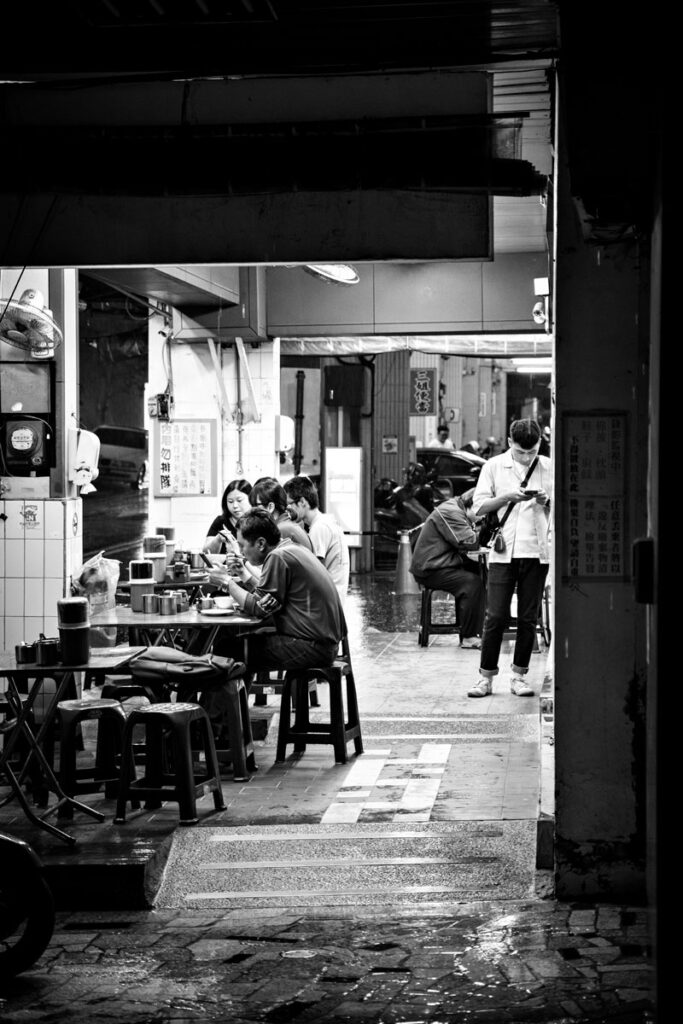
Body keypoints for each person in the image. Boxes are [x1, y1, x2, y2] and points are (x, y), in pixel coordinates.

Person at [468, 417, 552, 698]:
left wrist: (546, 501)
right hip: (503, 551)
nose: (527, 457)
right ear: (509, 443)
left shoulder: (548, 467)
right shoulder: (493, 466)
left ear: (540, 444)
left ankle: (519, 676)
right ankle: (486, 678)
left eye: (532, 451)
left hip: (537, 551)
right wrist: (507, 497)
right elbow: (478, 507)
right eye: (520, 452)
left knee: (529, 617)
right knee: (496, 616)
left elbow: (562, 504)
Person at [208, 508, 346, 673]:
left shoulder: (278, 557)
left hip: (311, 647)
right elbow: (267, 598)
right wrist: (243, 573)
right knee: (245, 642)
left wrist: (226, 582)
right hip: (324, 645)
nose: (242, 551)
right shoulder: (290, 548)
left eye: (242, 545)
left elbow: (259, 608)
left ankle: (222, 699)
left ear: (260, 543)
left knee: (227, 650)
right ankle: (238, 698)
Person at [409, 487, 486, 649]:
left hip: (442, 563)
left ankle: (478, 627)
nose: (482, 518)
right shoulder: (451, 512)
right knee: (472, 583)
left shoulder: (456, 508)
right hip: (430, 569)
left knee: (480, 571)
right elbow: (470, 542)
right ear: (472, 505)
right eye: (482, 513)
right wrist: (485, 530)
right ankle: (469, 637)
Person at [283, 475, 351, 603]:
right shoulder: (324, 522)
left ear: (302, 502)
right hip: (332, 598)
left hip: (326, 601)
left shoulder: (319, 528)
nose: (288, 511)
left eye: (289, 504)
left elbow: (312, 570)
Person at [248, 477, 313, 551]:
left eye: (255, 505)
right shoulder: (286, 524)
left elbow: (271, 561)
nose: (252, 510)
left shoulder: (280, 530)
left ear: (270, 507)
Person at [203, 478, 252, 555]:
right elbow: (206, 552)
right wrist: (218, 539)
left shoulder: (258, 522)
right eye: (230, 502)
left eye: (239, 500)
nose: (235, 506)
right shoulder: (220, 521)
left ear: (251, 499)